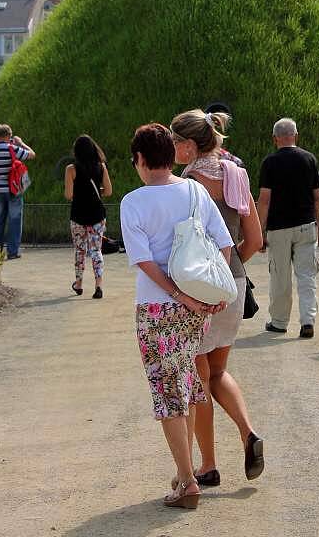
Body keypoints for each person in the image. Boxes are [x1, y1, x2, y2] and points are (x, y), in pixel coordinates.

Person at [119, 123, 233, 509]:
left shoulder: (133, 202)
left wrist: (175, 293)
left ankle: (187, 481)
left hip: (156, 308)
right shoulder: (195, 191)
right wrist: (206, 293)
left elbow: (143, 261)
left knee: (168, 391)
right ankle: (187, 471)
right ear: (171, 155)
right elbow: (224, 243)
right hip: (194, 310)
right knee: (184, 383)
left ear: (139, 159)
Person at [170, 109, 264, 487]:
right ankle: (248, 432)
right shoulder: (236, 173)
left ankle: (208, 465)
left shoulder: (189, 181)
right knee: (218, 371)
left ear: (190, 146)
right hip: (234, 282)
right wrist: (229, 268)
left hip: (198, 290)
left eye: (176, 141)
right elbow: (255, 240)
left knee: (198, 378)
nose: (172, 148)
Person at [257, 118, 319, 339]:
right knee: (307, 276)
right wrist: (318, 225)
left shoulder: (270, 163)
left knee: (280, 276)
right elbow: (316, 198)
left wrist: (260, 230)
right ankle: (308, 321)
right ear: (296, 135)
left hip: (279, 228)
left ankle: (279, 322)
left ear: (275, 138)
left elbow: (264, 199)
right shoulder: (309, 159)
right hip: (306, 224)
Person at [64, 135, 112, 299]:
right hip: (97, 215)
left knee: (80, 250)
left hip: (78, 214)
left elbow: (68, 194)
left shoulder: (71, 169)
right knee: (96, 250)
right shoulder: (101, 167)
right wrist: (97, 193)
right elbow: (109, 191)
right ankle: (98, 285)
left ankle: (78, 284)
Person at [0, 124, 35, 260]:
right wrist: (21, 143)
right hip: (14, 191)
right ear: (9, 136)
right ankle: (12, 252)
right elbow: (32, 155)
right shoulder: (13, 148)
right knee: (14, 221)